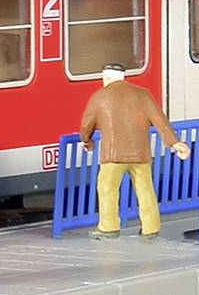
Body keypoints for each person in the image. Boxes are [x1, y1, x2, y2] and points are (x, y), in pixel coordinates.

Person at [76, 64, 188, 238]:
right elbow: (159, 119)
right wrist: (174, 143)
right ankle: (150, 229)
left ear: (105, 77)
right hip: (140, 153)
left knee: (107, 189)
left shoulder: (100, 97)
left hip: (112, 156)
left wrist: (87, 141)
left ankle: (109, 227)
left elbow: (86, 123)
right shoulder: (142, 95)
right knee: (145, 191)